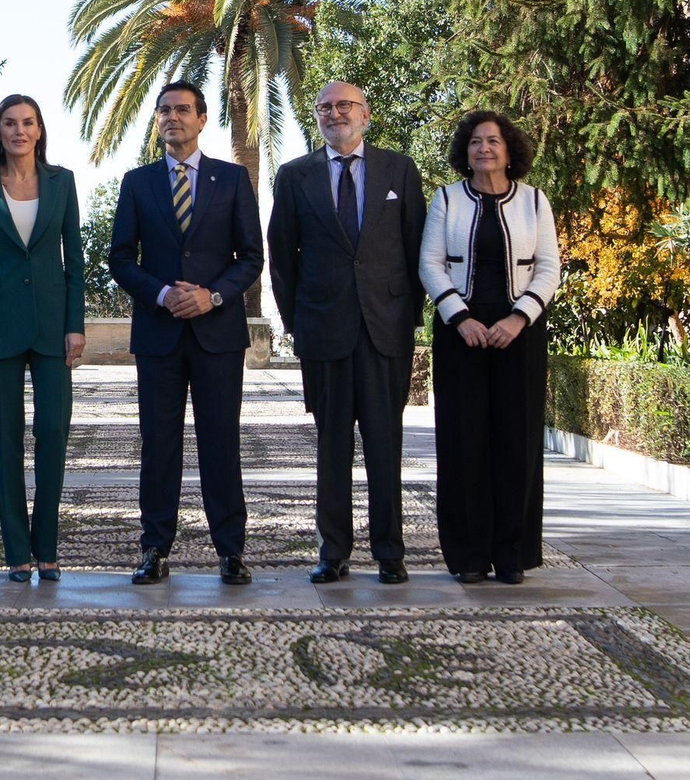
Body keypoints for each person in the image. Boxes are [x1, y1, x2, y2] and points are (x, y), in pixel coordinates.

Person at [267, 81, 426, 585]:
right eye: (325, 108)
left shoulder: (400, 170)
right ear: (316, 118)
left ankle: (390, 552)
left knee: (385, 444)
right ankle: (332, 551)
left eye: (345, 105)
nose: (335, 114)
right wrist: (296, 325)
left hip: (385, 332)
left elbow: (418, 249)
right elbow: (282, 258)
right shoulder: (294, 176)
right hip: (323, 333)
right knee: (332, 447)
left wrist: (407, 318)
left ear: (366, 113)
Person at [109, 80, 263, 586]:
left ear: (201, 119)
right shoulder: (136, 182)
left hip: (218, 335)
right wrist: (161, 294)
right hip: (158, 335)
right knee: (159, 446)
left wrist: (212, 296)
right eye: (163, 112)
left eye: (182, 110)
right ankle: (154, 548)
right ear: (156, 122)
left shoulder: (233, 179)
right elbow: (120, 259)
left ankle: (231, 551)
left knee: (221, 444)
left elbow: (251, 258)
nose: (172, 118)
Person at [419, 110, 560, 584]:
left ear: (509, 149)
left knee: (516, 441)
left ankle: (512, 554)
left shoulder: (535, 202)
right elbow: (430, 264)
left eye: (494, 141)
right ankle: (469, 556)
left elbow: (548, 269)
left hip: (519, 331)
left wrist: (519, 317)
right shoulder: (446, 199)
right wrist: (460, 317)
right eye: (476, 142)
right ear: (466, 151)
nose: (484, 149)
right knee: (464, 440)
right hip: (462, 333)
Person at [0, 94, 86, 582]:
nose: (19, 130)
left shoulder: (63, 182)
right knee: (6, 439)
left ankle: (48, 547)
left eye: (28, 122)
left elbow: (74, 260)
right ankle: (17, 550)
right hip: (0, 327)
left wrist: (75, 324)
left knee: (53, 432)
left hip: (54, 327)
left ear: (39, 130)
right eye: (10, 123)